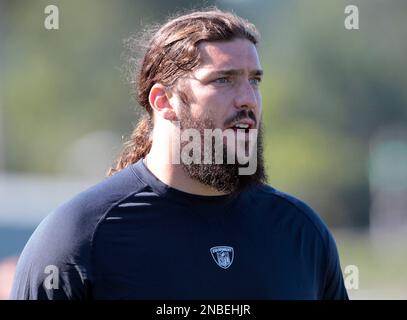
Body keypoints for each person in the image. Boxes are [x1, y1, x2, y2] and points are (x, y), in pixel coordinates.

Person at [10, 8, 348, 300]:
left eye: (255, 81)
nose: (248, 99)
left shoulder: (300, 232)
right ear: (163, 101)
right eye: (223, 80)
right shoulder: (80, 237)